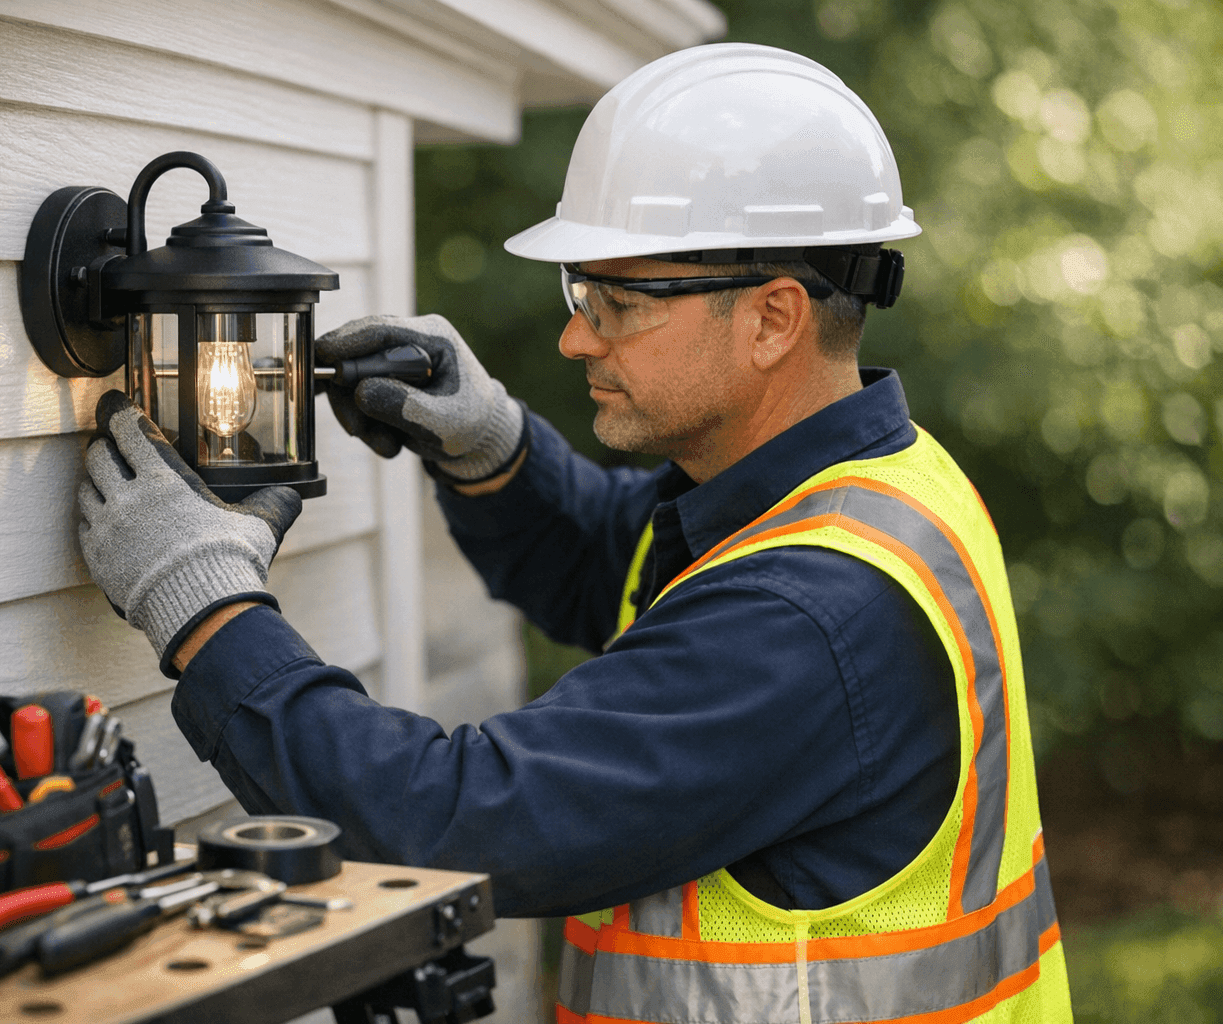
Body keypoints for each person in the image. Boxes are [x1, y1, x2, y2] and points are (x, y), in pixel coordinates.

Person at [76, 43, 1073, 1024]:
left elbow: (451, 819)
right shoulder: (862, 486)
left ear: (773, 319)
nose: (575, 335)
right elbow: (620, 563)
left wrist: (204, 605)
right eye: (579, 291)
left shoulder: (809, 616)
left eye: (617, 300)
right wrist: (495, 453)